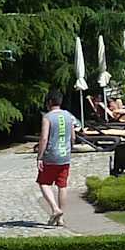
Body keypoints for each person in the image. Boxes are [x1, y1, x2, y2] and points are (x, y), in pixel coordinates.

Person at [34, 91, 79, 227]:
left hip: (51, 156)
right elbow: (73, 137)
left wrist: (39, 156)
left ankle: (55, 208)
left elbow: (44, 138)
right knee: (62, 185)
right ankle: (61, 219)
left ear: (49, 102)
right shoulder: (68, 116)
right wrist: (70, 148)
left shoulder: (47, 117)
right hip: (65, 155)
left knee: (43, 182)